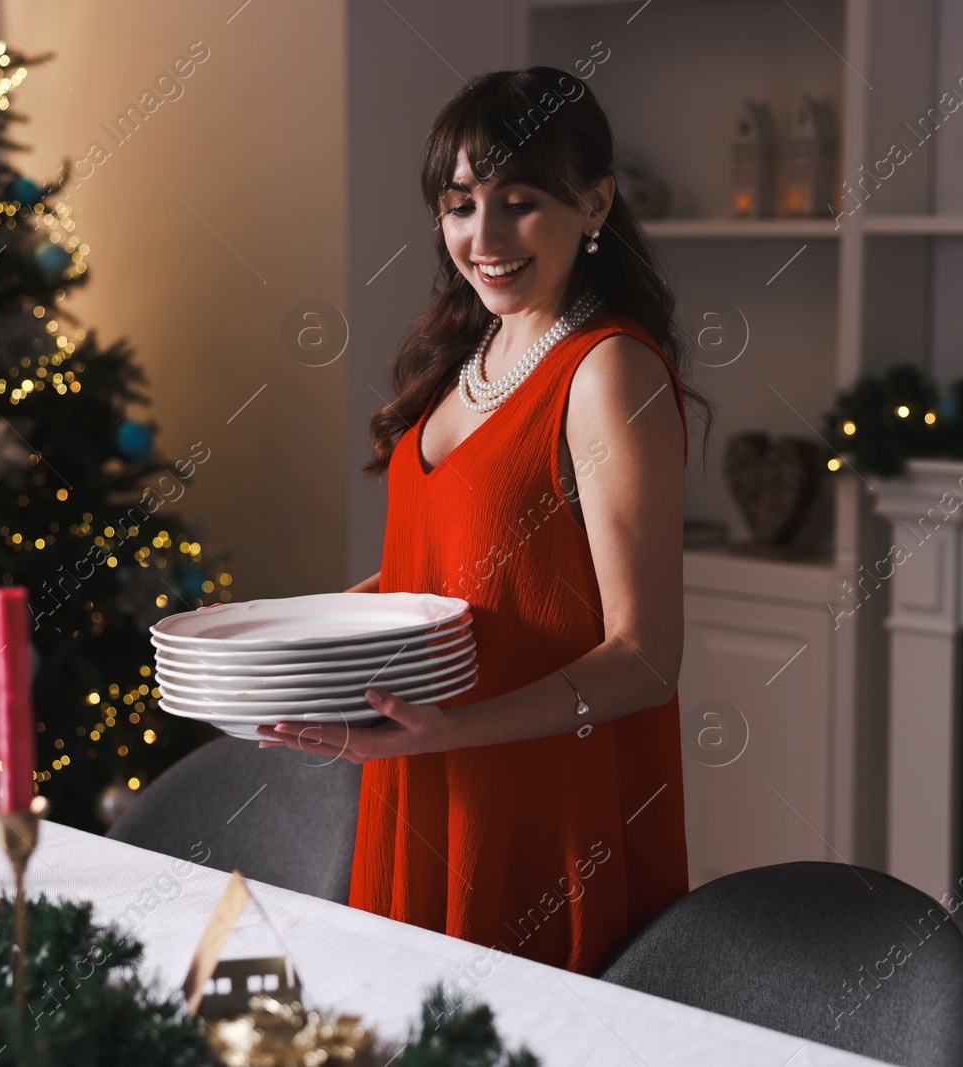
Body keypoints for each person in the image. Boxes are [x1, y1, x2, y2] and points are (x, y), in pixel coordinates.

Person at [255, 65, 715, 976]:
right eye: (460, 204)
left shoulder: (606, 370)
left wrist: (448, 732)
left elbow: (646, 658)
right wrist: (298, 643)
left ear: (594, 203)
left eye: (520, 201)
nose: (484, 235)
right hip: (428, 780)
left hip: (541, 809)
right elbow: (453, 577)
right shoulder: (468, 353)